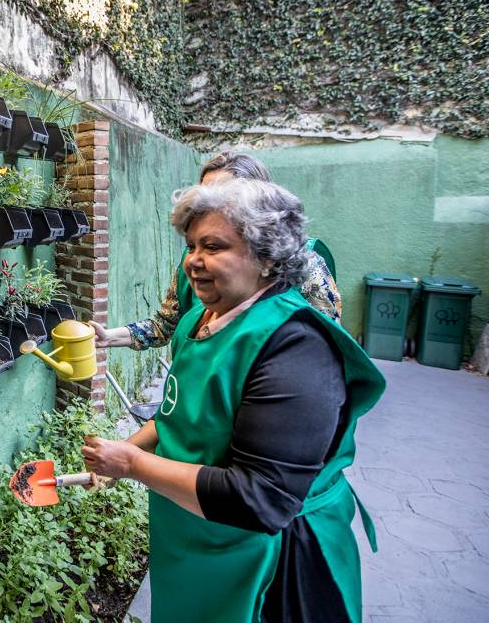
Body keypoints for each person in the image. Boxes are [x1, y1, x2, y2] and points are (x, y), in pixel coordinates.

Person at [83, 180, 384, 623]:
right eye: (190, 246)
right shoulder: (198, 320)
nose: (193, 262)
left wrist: (131, 465)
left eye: (213, 246)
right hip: (197, 540)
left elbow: (260, 498)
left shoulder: (296, 348)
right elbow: (176, 414)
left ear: (267, 257)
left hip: (271, 563)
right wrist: (128, 448)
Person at [92, 152, 341, 352]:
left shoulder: (302, 264)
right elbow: (165, 324)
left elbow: (326, 347)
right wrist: (108, 337)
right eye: (203, 193)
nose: (208, 204)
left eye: (224, 193)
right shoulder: (192, 263)